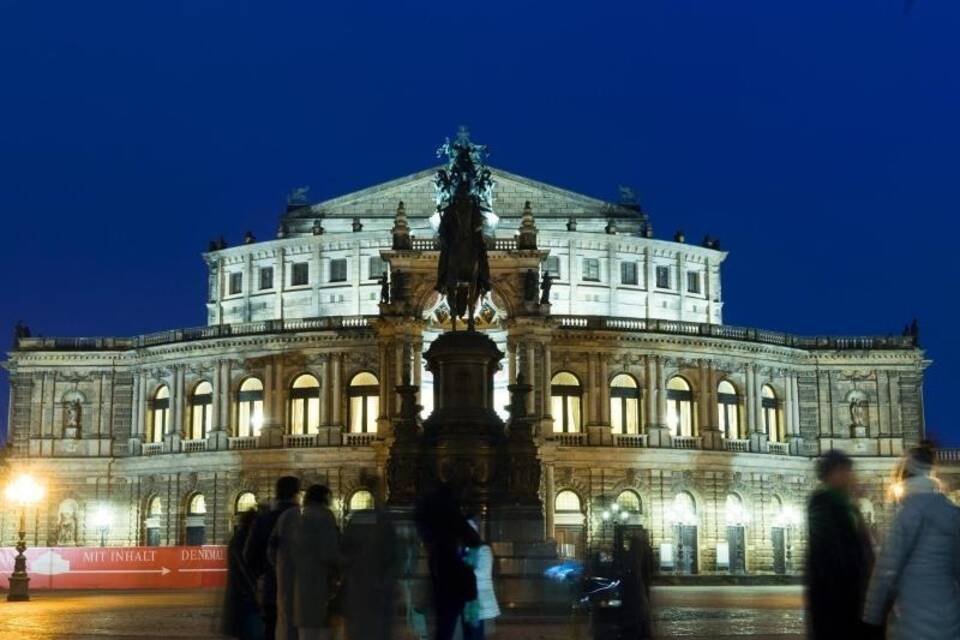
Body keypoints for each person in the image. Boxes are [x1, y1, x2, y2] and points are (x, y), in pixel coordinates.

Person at [863, 444, 960, 639]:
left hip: (912, 622)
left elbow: (886, 570)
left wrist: (871, 618)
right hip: (950, 622)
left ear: (904, 478)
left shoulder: (906, 515)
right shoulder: (952, 513)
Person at [805, 449, 875, 640]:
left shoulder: (843, 504)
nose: (852, 476)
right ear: (835, 472)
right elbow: (839, 555)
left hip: (844, 603)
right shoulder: (823, 503)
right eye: (848, 471)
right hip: (835, 604)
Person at [270, 484, 341, 640]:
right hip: (322, 587)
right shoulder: (324, 516)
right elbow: (330, 553)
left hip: (299, 587)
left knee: (305, 633)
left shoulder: (298, 518)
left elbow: (275, 551)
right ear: (324, 498)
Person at [414, 483, 477, 640]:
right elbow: (473, 538)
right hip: (457, 578)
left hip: (440, 577)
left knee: (443, 628)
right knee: (467, 628)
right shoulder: (451, 514)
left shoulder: (428, 517)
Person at [244, 476, 301, 640]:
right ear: (296, 494)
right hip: (299, 593)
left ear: (277, 494)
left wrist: (262, 575)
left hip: (271, 591)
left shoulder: (263, 520)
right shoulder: (302, 520)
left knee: (271, 631)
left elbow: (248, 556)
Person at [342, 504, 398, 640]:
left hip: (357, 587)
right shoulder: (384, 523)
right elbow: (392, 557)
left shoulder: (355, 523)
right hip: (379, 588)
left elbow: (344, 553)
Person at [223, 508, 264, 640]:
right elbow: (244, 570)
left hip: (242, 598)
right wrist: (256, 589)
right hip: (244, 598)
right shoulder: (242, 540)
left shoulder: (240, 539)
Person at [461, 516, 500, 640]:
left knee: (475, 634)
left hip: (478, 600)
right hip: (465, 600)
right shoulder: (463, 550)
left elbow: (482, 572)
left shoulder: (484, 550)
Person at [617, 534, 654, 640]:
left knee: (637, 610)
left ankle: (637, 631)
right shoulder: (645, 553)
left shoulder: (631, 555)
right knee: (642, 609)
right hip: (640, 586)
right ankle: (643, 631)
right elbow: (648, 571)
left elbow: (633, 572)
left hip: (635, 587)